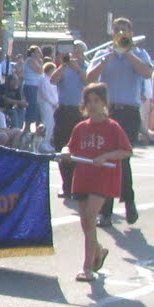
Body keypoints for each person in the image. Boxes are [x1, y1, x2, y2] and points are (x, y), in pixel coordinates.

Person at [86, 18, 152, 226]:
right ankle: (106, 212)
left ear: (131, 33)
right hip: (107, 112)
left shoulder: (140, 54)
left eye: (124, 30)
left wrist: (128, 53)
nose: (120, 32)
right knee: (106, 161)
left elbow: (147, 72)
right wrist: (104, 62)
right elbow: (89, 78)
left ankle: (129, 201)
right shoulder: (103, 53)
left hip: (129, 112)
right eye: (117, 30)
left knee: (122, 159)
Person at [63, 84, 132, 281]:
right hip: (84, 177)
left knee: (91, 216)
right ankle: (98, 251)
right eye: (89, 101)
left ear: (104, 103)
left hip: (103, 179)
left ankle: (87, 267)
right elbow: (70, 146)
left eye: (96, 101)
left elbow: (126, 150)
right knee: (86, 222)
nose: (92, 105)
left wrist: (107, 156)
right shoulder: (81, 128)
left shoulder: (112, 127)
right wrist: (66, 152)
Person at [50, 41, 88, 197]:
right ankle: (66, 185)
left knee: (80, 150)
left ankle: (78, 186)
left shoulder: (88, 67)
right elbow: (52, 80)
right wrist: (64, 65)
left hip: (81, 113)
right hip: (64, 111)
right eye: (73, 52)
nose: (75, 55)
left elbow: (90, 81)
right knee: (61, 147)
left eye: (78, 52)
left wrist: (78, 69)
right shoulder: (64, 68)